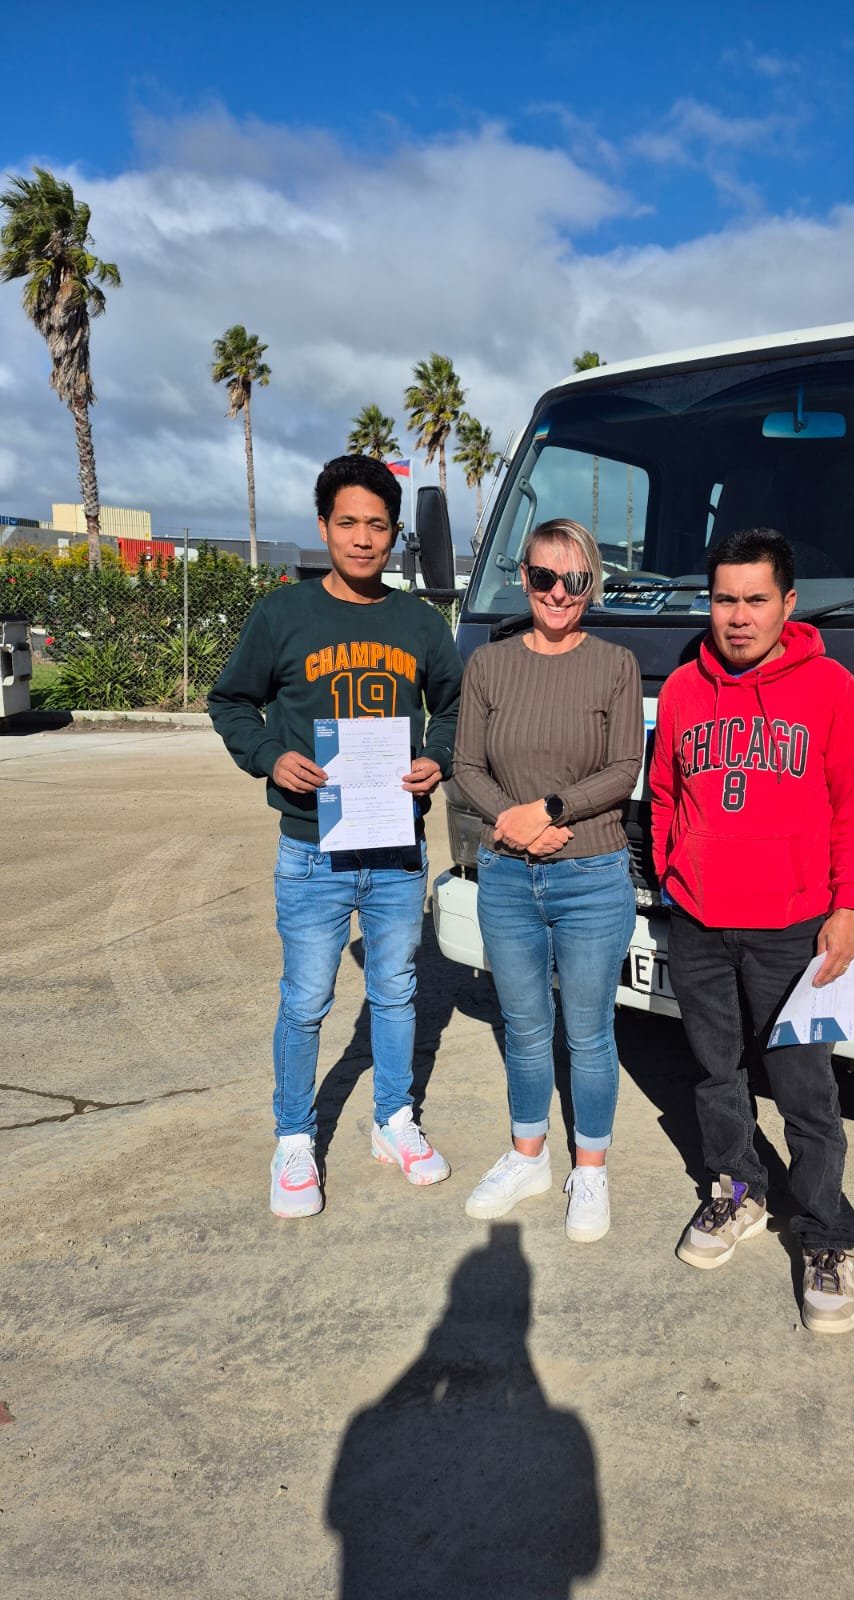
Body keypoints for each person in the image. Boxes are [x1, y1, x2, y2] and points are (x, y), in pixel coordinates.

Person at [209, 454, 463, 1219]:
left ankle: (393, 1122)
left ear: (395, 537)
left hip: (393, 850)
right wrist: (269, 757)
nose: (362, 539)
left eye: (377, 526)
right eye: (347, 522)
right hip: (311, 848)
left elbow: (453, 705)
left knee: (394, 994)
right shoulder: (282, 615)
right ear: (324, 528)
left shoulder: (419, 622)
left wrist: (436, 759)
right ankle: (294, 1138)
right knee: (307, 999)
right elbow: (231, 702)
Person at [648, 527, 854, 1333]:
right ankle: (737, 1193)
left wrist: (847, 907)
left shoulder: (830, 688)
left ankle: (823, 1238)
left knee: (806, 1093)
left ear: (788, 603)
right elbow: (666, 794)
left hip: (794, 931)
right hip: (702, 922)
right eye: (723, 600)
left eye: (754, 600)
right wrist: (676, 875)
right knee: (715, 1076)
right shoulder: (681, 690)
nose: (737, 617)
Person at [452, 518, 643, 1243]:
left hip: (592, 874)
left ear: (592, 585)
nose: (558, 593)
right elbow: (467, 766)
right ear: (523, 578)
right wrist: (515, 824)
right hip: (507, 875)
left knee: (589, 1032)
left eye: (575, 579)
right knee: (526, 1029)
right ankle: (528, 1154)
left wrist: (552, 810)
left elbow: (625, 767)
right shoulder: (491, 666)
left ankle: (588, 1168)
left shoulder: (615, 664)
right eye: (543, 577)